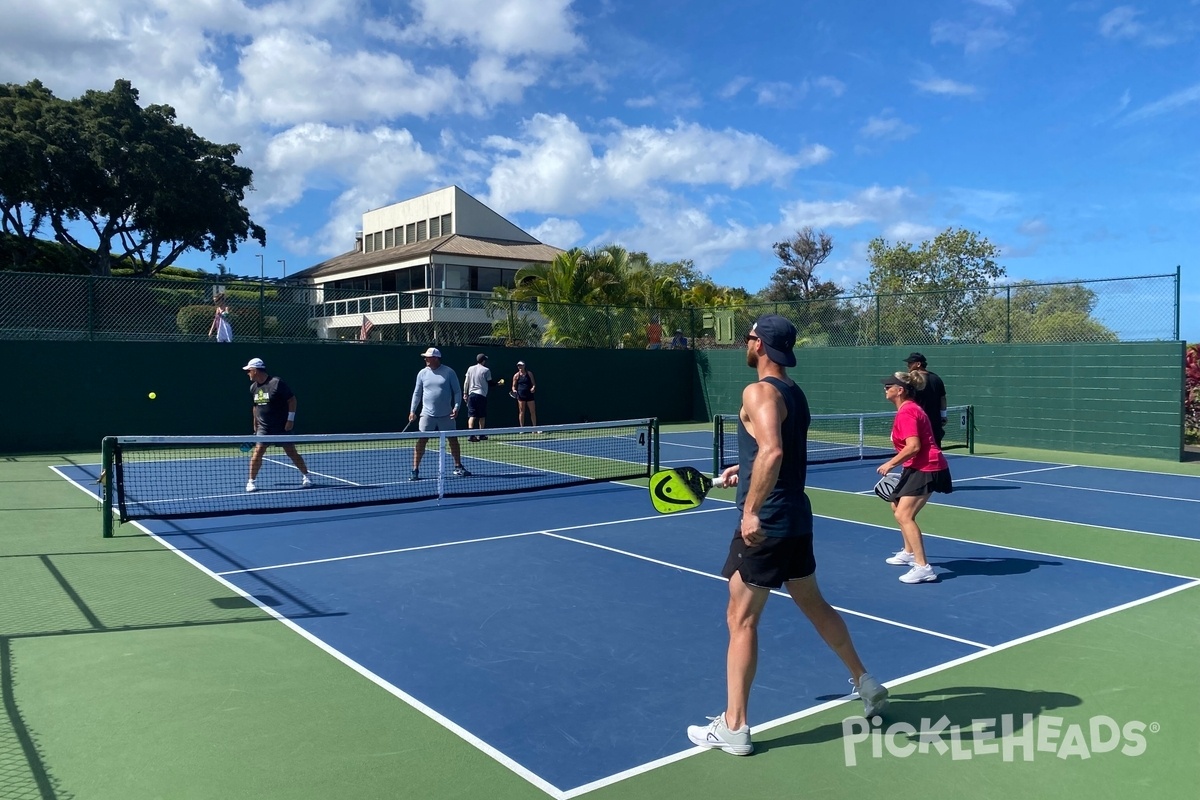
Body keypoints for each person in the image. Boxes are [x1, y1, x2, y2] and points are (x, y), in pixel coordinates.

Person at [687, 314, 888, 756]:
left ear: (759, 344)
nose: (746, 343)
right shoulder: (792, 393)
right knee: (814, 603)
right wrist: (744, 470)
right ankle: (866, 682)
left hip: (768, 524)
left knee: (741, 620)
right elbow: (773, 452)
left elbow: (774, 450)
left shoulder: (757, 391)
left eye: (749, 337)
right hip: (796, 517)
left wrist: (752, 510)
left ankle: (734, 727)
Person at [876, 371, 954, 584]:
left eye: (888, 386)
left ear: (899, 390)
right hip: (916, 466)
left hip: (928, 466)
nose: (885, 388)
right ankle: (909, 552)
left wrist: (890, 463)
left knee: (904, 515)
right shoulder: (908, 409)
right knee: (896, 504)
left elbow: (914, 446)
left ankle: (923, 567)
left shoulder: (908, 412)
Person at [243, 357, 311, 492]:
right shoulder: (253, 388)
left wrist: (290, 420)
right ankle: (251, 482)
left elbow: (292, 400)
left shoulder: (276, 383)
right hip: (264, 428)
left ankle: (306, 476)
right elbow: (255, 407)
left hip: (282, 426)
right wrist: (255, 425)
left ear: (256, 370)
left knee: (291, 452)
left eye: (249, 371)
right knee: (258, 452)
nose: (248, 373)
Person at [409, 347, 470, 480]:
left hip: (447, 415)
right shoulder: (422, 373)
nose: (425, 359)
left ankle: (458, 466)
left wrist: (457, 407)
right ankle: (415, 470)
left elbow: (457, 392)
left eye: (428, 357)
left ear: (436, 358)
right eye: (425, 357)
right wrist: (412, 411)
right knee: (422, 440)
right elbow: (417, 393)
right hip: (427, 414)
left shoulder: (449, 372)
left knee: (453, 440)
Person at [905, 352, 947, 447]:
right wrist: (943, 416)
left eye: (910, 363)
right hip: (934, 423)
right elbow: (943, 399)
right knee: (935, 451)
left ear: (918, 364)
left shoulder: (911, 380)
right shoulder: (937, 378)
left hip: (918, 423)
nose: (908, 365)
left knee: (915, 451)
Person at [463, 353, 503, 442]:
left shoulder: (470, 368)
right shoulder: (486, 370)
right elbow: (490, 383)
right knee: (481, 416)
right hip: (481, 395)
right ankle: (481, 435)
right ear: (483, 361)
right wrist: (498, 384)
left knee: (472, 416)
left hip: (471, 395)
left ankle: (471, 435)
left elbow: (466, 382)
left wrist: (465, 394)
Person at [512, 360, 538, 429]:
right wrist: (514, 390)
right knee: (521, 411)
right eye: (519, 366)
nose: (520, 367)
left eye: (521, 365)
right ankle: (522, 428)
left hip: (529, 395)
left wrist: (533, 388)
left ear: (524, 366)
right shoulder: (516, 376)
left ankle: (535, 428)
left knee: (532, 411)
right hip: (521, 396)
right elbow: (513, 386)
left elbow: (534, 384)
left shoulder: (529, 374)